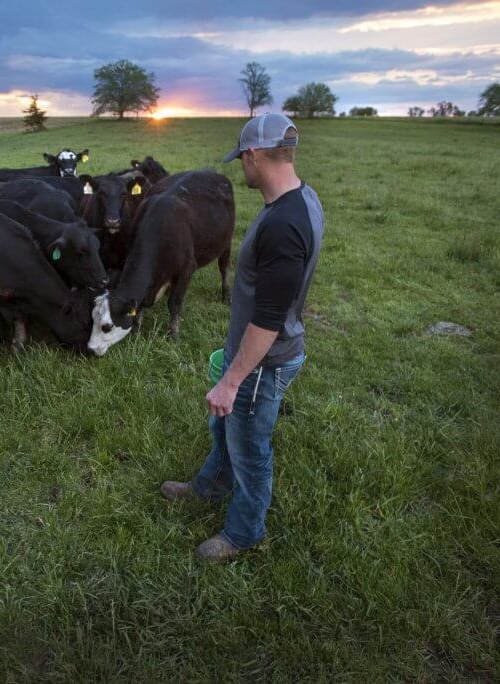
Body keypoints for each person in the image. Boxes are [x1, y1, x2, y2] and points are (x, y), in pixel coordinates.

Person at [160, 113, 324, 561]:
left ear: (254, 155)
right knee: (226, 430)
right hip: (257, 355)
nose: (240, 168)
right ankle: (210, 486)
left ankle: (243, 533)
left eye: (241, 159)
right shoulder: (302, 199)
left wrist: (232, 380)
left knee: (250, 448)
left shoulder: (283, 226)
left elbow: (268, 321)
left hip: (261, 363)